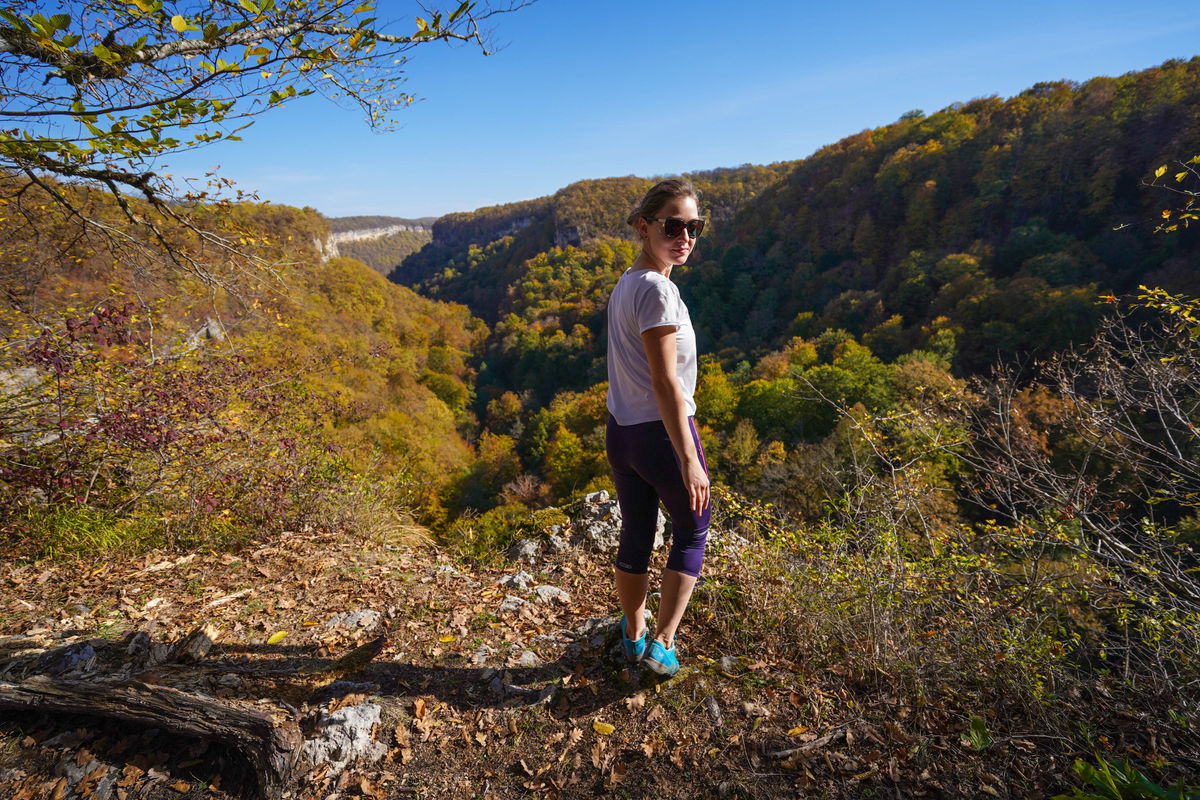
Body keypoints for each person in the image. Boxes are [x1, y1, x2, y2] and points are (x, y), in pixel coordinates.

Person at [605, 178, 711, 676]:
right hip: (660, 435)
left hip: (622, 432)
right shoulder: (659, 291)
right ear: (644, 227)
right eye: (673, 225)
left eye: (694, 226)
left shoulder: (626, 283)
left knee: (637, 531)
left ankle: (633, 631)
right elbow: (666, 383)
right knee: (693, 529)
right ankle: (662, 644)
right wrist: (689, 457)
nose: (684, 236)